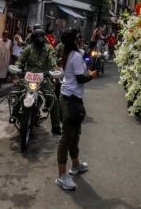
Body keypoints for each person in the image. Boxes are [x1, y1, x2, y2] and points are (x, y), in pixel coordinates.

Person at [55, 28, 98, 191]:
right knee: (67, 137)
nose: (81, 39)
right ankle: (61, 176)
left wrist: (93, 40)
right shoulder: (74, 55)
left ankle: (75, 165)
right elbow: (81, 77)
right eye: (79, 37)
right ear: (74, 40)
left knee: (75, 134)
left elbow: (86, 56)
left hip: (71, 99)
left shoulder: (70, 53)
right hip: (70, 100)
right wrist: (91, 76)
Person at [16, 25, 62, 134]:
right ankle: (15, 115)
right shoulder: (29, 48)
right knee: (18, 93)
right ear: (33, 37)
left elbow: (52, 60)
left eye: (41, 37)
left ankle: (56, 126)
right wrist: (17, 67)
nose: (39, 40)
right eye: (37, 37)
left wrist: (55, 69)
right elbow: (21, 59)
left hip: (44, 78)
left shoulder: (48, 48)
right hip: (28, 77)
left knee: (53, 99)